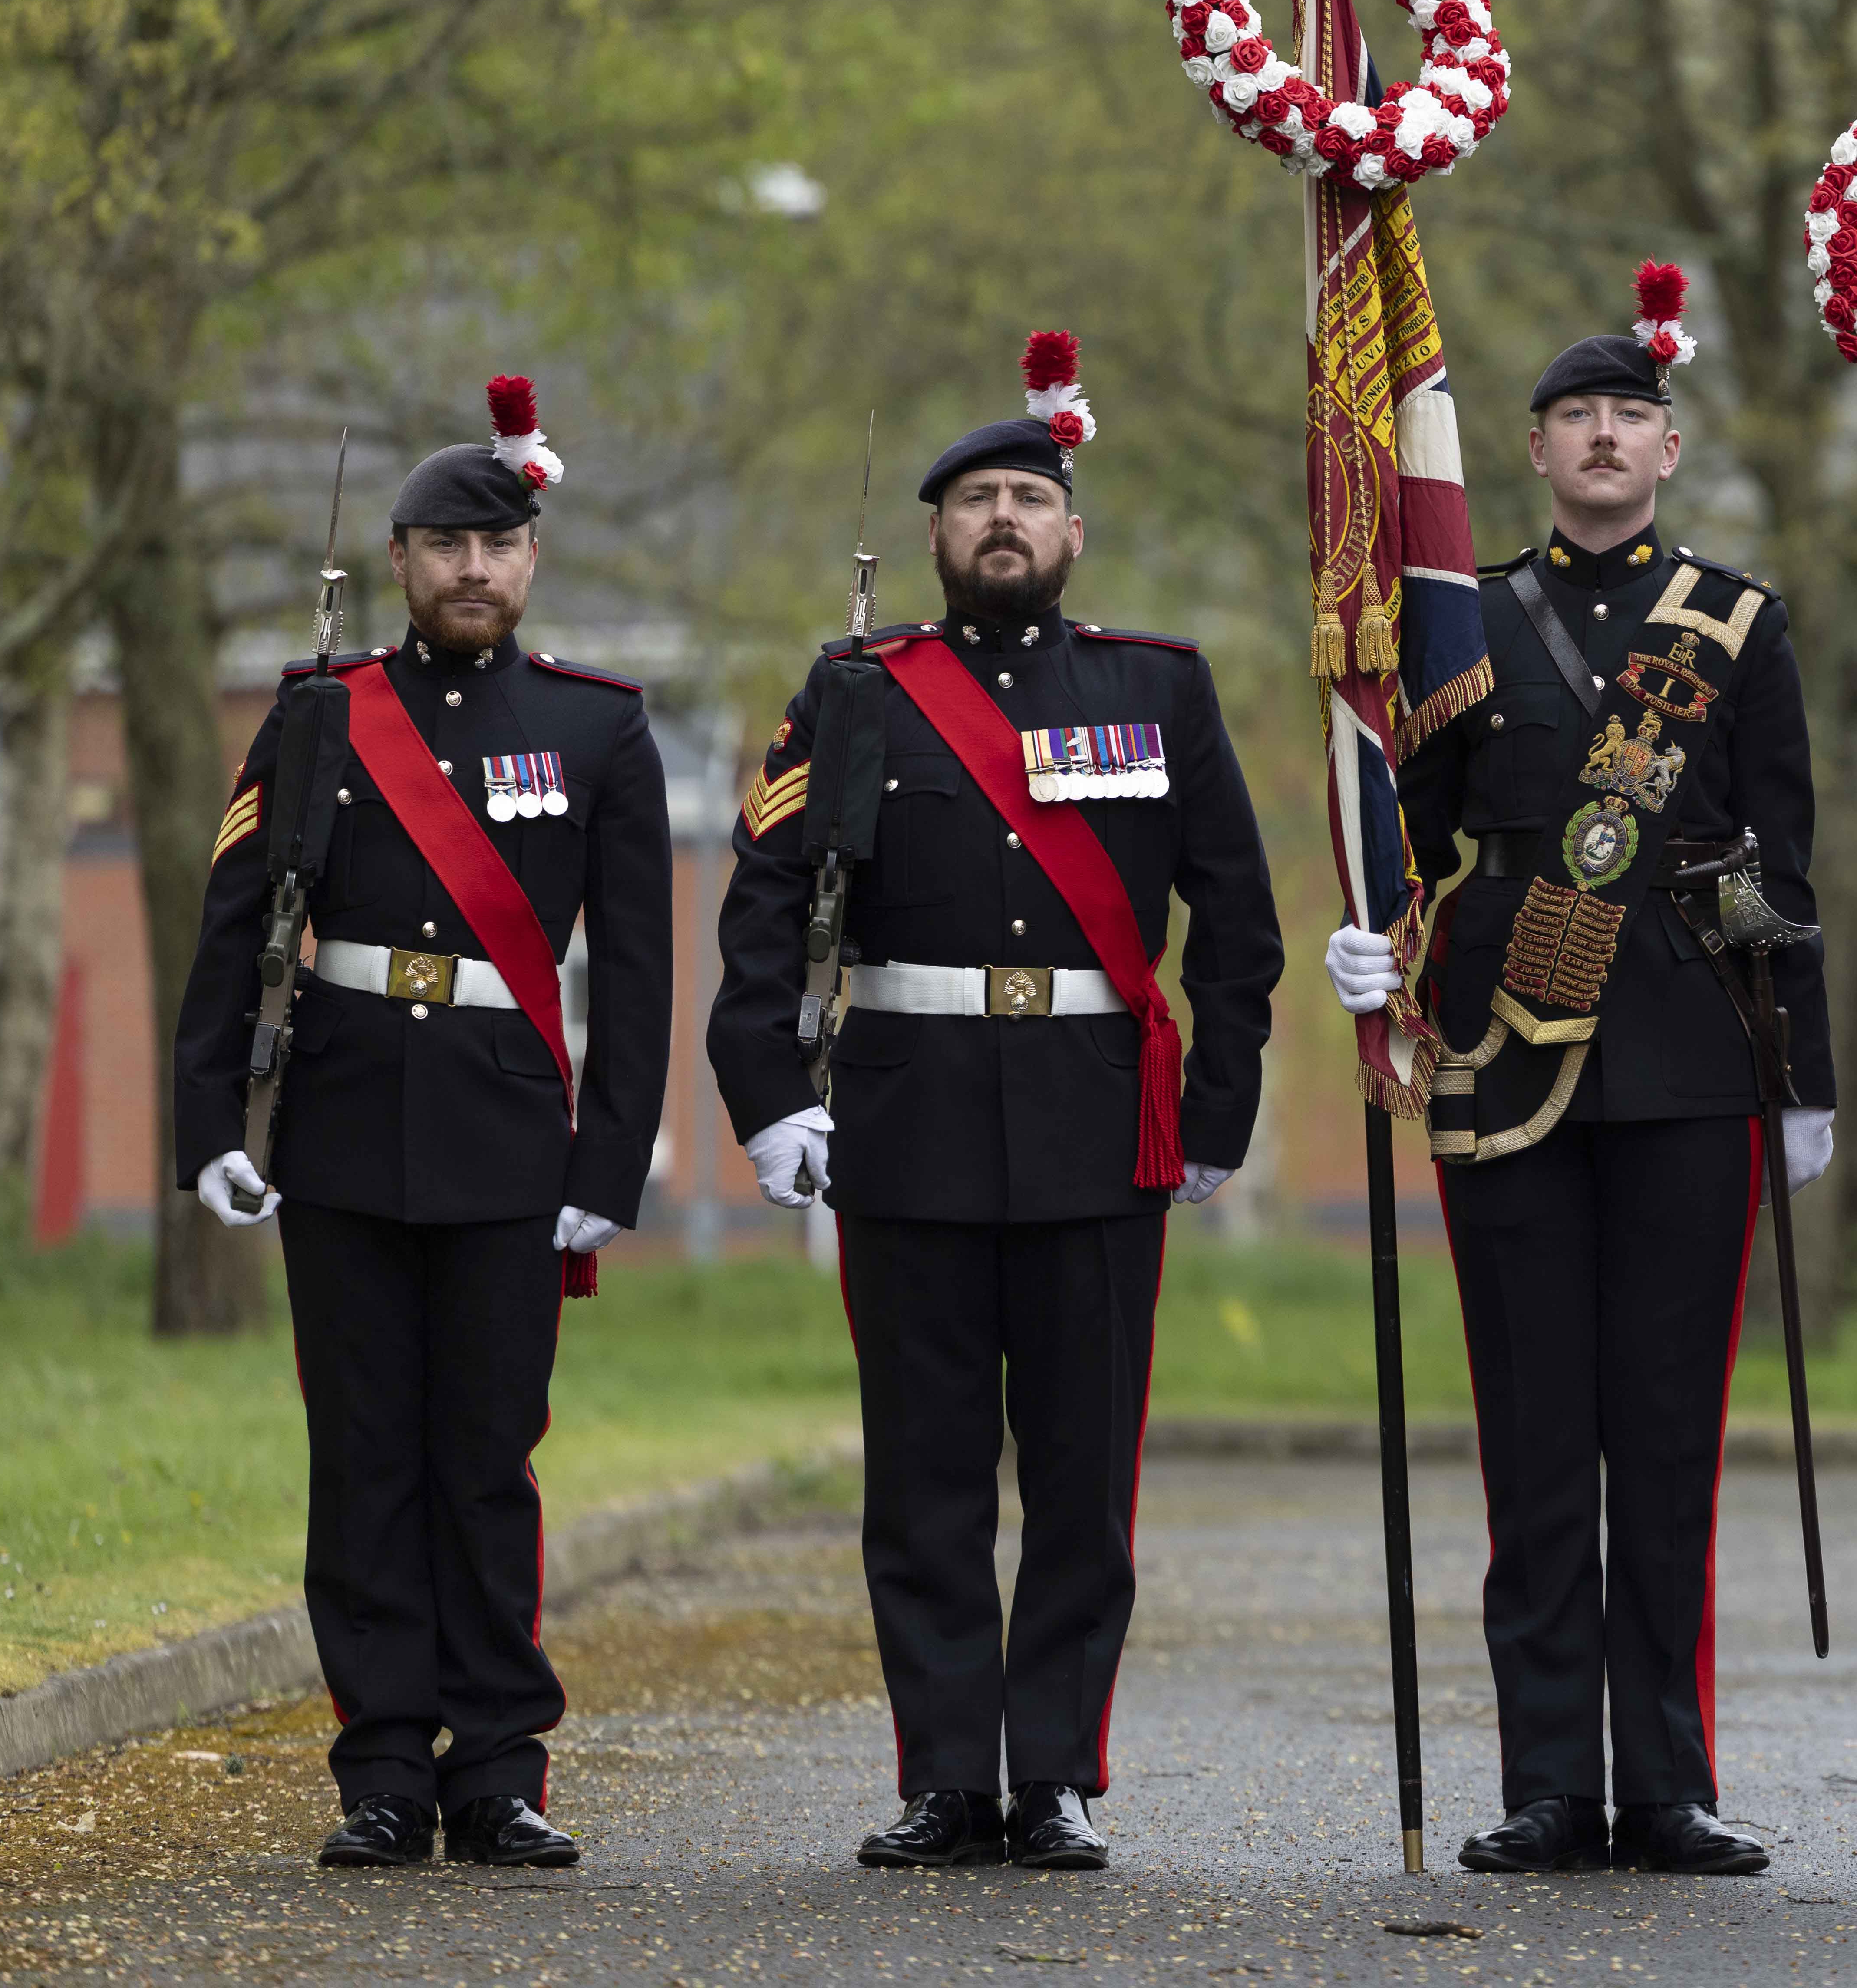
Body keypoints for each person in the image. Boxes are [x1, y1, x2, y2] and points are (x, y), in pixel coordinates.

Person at [710, 333, 1282, 1873]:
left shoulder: (1157, 687)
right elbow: (763, 910)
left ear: (1073, 532)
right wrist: (768, 1097)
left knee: (1084, 1486)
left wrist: (1216, 1111)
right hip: (910, 1120)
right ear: (937, 537)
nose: (1004, 522)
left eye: (1031, 496)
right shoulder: (853, 692)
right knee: (928, 1482)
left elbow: (1237, 920)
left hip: (1101, 1120)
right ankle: (949, 1777)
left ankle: (1058, 1780)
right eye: (976, 503)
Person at [1320, 263, 1831, 1879]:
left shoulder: (1738, 626)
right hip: (1505, 1058)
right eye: (1574, 419)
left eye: (1630, 416)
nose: (1604, 440)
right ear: (1533, 452)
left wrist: (1798, 1073)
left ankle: (1665, 1785)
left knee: (1669, 1437)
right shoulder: (1457, 615)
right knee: (1536, 1437)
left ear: (1669, 449)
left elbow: (1783, 859)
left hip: (1690, 1062)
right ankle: (1549, 1779)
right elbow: (1409, 818)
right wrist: (1378, 950)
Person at [172, 380, 667, 1871]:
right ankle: (384, 1768)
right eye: (445, 543)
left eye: (498, 544)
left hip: (514, 1142)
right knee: (366, 1458)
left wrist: (612, 1166)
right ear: (397, 560)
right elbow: (231, 929)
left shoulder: (598, 728)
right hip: (339, 1133)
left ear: (531, 563)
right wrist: (212, 1121)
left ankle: (500, 1767)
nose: (473, 568)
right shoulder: (321, 718)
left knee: (488, 1457)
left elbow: (636, 973)